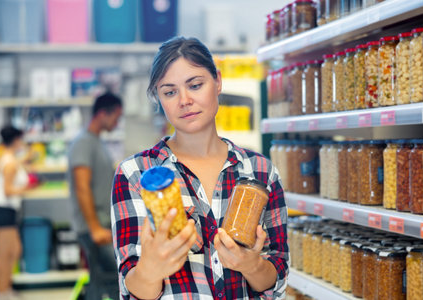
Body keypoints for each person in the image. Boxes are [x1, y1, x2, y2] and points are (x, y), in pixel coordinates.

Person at [111, 37, 289, 300]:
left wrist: (250, 264)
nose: (184, 100)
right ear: (159, 98)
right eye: (169, 92)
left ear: (217, 81)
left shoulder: (261, 172)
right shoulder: (136, 174)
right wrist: (150, 271)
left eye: (195, 85)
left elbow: (278, 274)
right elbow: (133, 286)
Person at [68, 92, 123, 300]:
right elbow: (82, 187)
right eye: (116, 117)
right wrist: (94, 228)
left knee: (101, 281)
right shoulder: (84, 143)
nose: (117, 122)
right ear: (102, 114)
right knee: (110, 281)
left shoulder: (96, 142)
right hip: (94, 228)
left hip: (100, 225)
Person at [0, 125, 36, 300]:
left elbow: (15, 166)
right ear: (16, 140)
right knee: (4, 254)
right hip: (3, 211)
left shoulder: (8, 158)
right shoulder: (9, 162)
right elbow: (8, 190)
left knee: (14, 250)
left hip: (6, 211)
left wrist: (26, 160)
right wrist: (28, 188)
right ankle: (2, 292)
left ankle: (6, 287)